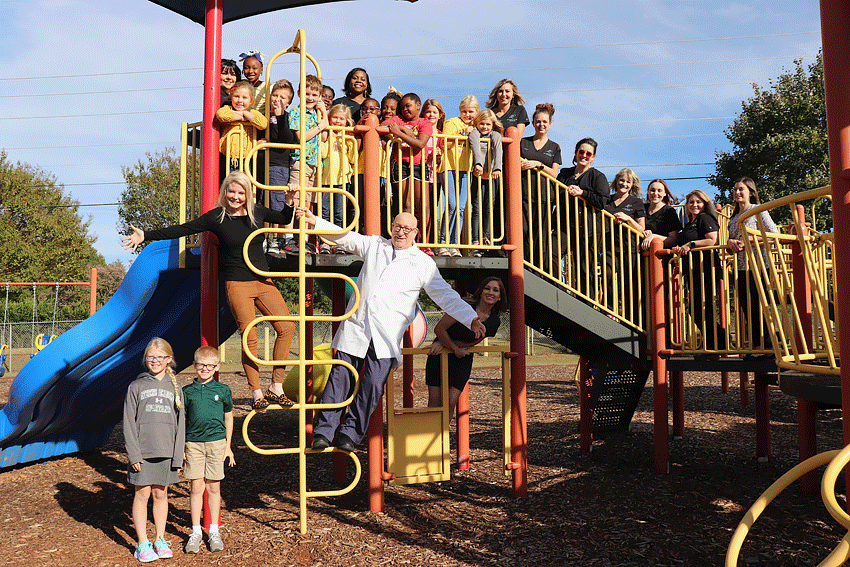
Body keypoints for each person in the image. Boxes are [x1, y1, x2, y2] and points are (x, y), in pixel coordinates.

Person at [297, 209, 486, 452]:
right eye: (398, 227)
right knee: (339, 379)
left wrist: (470, 318)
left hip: (386, 334)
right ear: (391, 227)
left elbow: (445, 295)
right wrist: (316, 222)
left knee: (373, 385)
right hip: (358, 326)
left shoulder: (422, 263)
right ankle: (324, 431)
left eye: (407, 229)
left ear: (416, 233)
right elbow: (346, 237)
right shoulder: (375, 246)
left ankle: (350, 434)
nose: (401, 232)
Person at [121, 171, 297, 411]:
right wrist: (146, 236)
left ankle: (276, 386)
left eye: (240, 192)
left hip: (263, 280)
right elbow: (184, 229)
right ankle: (256, 391)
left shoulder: (257, 213)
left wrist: (289, 200)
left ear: (247, 194)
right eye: (231, 191)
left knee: (287, 327)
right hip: (238, 284)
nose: (235, 196)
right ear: (224, 192)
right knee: (250, 336)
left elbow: (284, 216)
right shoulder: (217, 217)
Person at [123, 338, 185, 563]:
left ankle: (160, 538)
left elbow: (181, 424)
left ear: (169, 359)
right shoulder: (136, 386)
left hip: (166, 452)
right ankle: (142, 543)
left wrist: (178, 455)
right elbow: (128, 422)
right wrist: (134, 454)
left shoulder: (175, 387)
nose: (155, 361)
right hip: (143, 453)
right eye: (151, 357)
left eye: (160, 357)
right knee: (142, 494)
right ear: (145, 359)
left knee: (161, 494)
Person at [425, 276, 506, 415]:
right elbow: (439, 329)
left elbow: (471, 342)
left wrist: (449, 346)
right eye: (487, 288)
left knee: (450, 402)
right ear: (480, 292)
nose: (490, 292)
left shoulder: (494, 321)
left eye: (495, 290)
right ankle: (431, 435)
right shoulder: (463, 307)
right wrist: (450, 347)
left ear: (499, 297)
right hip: (440, 353)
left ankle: (444, 434)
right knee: (435, 401)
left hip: (461, 358)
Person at [182, 346, 234, 555]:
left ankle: (213, 530)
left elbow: (228, 417)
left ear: (217, 367)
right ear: (194, 366)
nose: (205, 369)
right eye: (201, 365)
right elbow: (182, 422)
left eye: (210, 365)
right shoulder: (187, 392)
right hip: (193, 444)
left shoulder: (223, 391)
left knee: (213, 488)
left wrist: (228, 447)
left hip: (216, 443)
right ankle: (195, 531)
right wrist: (181, 447)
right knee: (196, 488)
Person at [726, 177, 777, 350]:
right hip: (740, 267)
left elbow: (773, 233)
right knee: (747, 306)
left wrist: (752, 239)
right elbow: (729, 242)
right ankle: (758, 344)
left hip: (758, 265)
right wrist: (729, 243)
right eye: (735, 189)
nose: (737, 192)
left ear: (751, 192)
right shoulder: (733, 217)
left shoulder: (757, 210)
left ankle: (769, 344)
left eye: (741, 189)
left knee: (759, 305)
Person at [672, 189, 724, 351]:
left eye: (698, 202)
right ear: (687, 206)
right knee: (696, 309)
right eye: (691, 202)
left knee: (701, 308)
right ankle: (716, 342)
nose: (694, 205)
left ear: (704, 204)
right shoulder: (689, 223)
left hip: (705, 269)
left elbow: (713, 240)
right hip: (694, 270)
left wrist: (691, 245)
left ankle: (718, 342)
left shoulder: (704, 217)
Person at [555, 138, 609, 296]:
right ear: (576, 153)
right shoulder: (565, 173)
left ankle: (587, 301)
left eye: (588, 153)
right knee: (551, 252)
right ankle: (557, 290)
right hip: (564, 225)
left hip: (588, 230)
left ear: (593, 157)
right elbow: (554, 193)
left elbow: (603, 201)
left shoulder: (598, 176)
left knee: (585, 267)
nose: (584, 155)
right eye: (581, 152)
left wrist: (582, 193)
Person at [382, 93, 434, 255]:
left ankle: (424, 243)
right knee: (407, 205)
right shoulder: (398, 120)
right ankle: (408, 241)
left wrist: (401, 132)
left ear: (418, 105)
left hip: (419, 164)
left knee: (423, 206)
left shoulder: (424, 122)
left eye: (408, 106)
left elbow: (419, 144)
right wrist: (403, 129)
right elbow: (382, 124)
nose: (405, 110)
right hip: (401, 164)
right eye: (402, 107)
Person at [286, 74, 329, 254]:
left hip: (315, 164)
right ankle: (288, 238)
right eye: (307, 94)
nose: (310, 98)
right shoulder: (297, 113)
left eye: (314, 94)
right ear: (299, 94)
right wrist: (321, 126)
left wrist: (324, 114)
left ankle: (304, 240)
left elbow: (325, 137)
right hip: (300, 160)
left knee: (309, 203)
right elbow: (301, 137)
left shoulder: (317, 114)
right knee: (297, 200)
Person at [520, 103, 561, 264]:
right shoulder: (523, 143)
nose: (541, 125)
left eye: (545, 122)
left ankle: (538, 267)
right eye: (538, 121)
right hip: (523, 194)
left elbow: (553, 173)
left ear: (550, 124)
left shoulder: (554, 147)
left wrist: (538, 164)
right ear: (534, 122)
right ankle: (524, 263)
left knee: (540, 234)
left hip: (544, 198)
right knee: (523, 231)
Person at [437, 95, 478, 257]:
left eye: (471, 112)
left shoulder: (477, 126)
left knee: (461, 208)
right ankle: (443, 243)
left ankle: (454, 244)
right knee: (452, 204)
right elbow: (444, 144)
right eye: (464, 111)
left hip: (466, 169)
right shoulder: (452, 123)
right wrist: (462, 132)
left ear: (477, 112)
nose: (467, 115)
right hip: (449, 167)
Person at [604, 168, 646, 314]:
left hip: (630, 249)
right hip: (609, 247)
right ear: (616, 182)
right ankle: (608, 310)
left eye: (628, 182)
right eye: (622, 180)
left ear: (632, 185)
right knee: (607, 273)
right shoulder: (607, 200)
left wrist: (628, 219)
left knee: (629, 284)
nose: (624, 184)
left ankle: (630, 317)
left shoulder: (636, 202)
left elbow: (641, 229)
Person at [468, 109, 503, 257]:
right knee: (476, 207)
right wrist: (478, 164)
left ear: (493, 125)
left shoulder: (495, 135)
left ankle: (486, 238)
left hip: (491, 176)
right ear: (477, 123)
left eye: (488, 124)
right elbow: (475, 146)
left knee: (489, 207)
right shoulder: (475, 133)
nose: (485, 127)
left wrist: (497, 168)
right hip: (478, 174)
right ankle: (475, 240)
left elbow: (498, 150)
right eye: (482, 124)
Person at [267, 79, 296, 254]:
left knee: (278, 201)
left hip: (279, 164)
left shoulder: (287, 116)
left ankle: (278, 238)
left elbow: (285, 139)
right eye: (275, 95)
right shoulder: (265, 115)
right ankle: (268, 237)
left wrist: (280, 115)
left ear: (289, 102)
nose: (278, 99)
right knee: (265, 200)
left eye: (283, 97)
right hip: (265, 163)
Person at [321, 104, 357, 246]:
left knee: (339, 213)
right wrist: (331, 137)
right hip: (326, 179)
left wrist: (348, 141)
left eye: (341, 119)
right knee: (325, 212)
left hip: (342, 180)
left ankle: (339, 242)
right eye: (335, 117)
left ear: (347, 122)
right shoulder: (326, 134)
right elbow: (323, 154)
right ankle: (324, 241)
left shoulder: (348, 137)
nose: (337, 121)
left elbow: (353, 159)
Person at [215, 81, 269, 173]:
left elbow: (263, 123)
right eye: (236, 96)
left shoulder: (252, 112)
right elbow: (221, 115)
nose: (240, 100)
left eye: (244, 98)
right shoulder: (227, 109)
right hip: (227, 158)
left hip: (246, 159)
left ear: (251, 101)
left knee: (243, 184)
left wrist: (245, 113)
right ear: (231, 97)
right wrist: (241, 116)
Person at [641, 179, 682, 251]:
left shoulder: (669, 211)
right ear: (648, 192)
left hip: (661, 256)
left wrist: (653, 237)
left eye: (659, 191)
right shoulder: (641, 208)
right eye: (652, 190)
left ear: (665, 193)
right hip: (641, 255)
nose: (655, 193)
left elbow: (674, 240)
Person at [240, 51, 266, 116]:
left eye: (254, 68)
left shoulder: (267, 88)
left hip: (258, 122)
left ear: (261, 70)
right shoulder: (240, 85)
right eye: (246, 68)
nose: (250, 71)